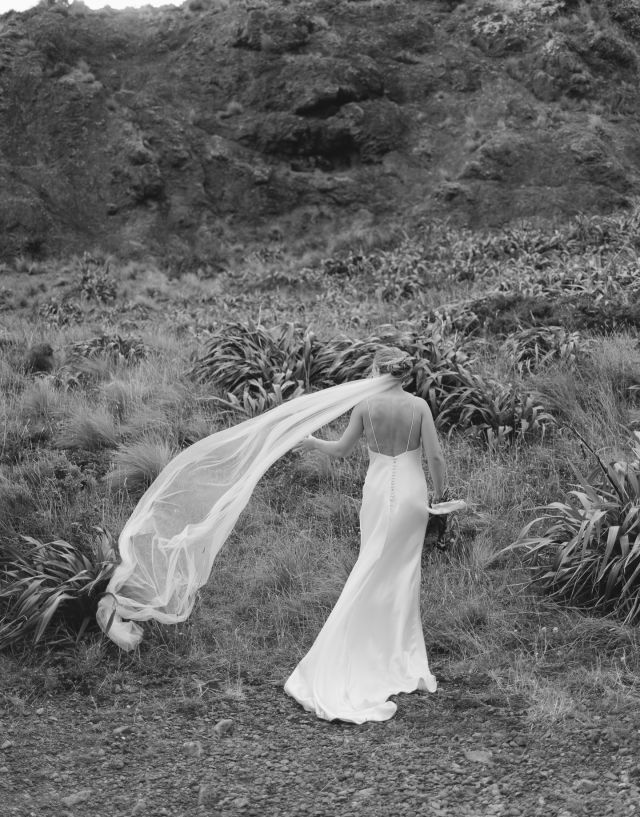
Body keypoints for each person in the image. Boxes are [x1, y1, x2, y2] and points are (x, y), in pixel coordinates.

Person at [284, 346, 447, 723]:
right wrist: (441, 497)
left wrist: (311, 443)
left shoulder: (364, 406)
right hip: (410, 493)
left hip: (377, 492)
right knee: (403, 571)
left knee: (371, 563)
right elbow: (435, 458)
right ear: (406, 375)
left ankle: (363, 644)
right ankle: (397, 652)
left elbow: (340, 451)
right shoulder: (419, 407)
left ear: (379, 371)